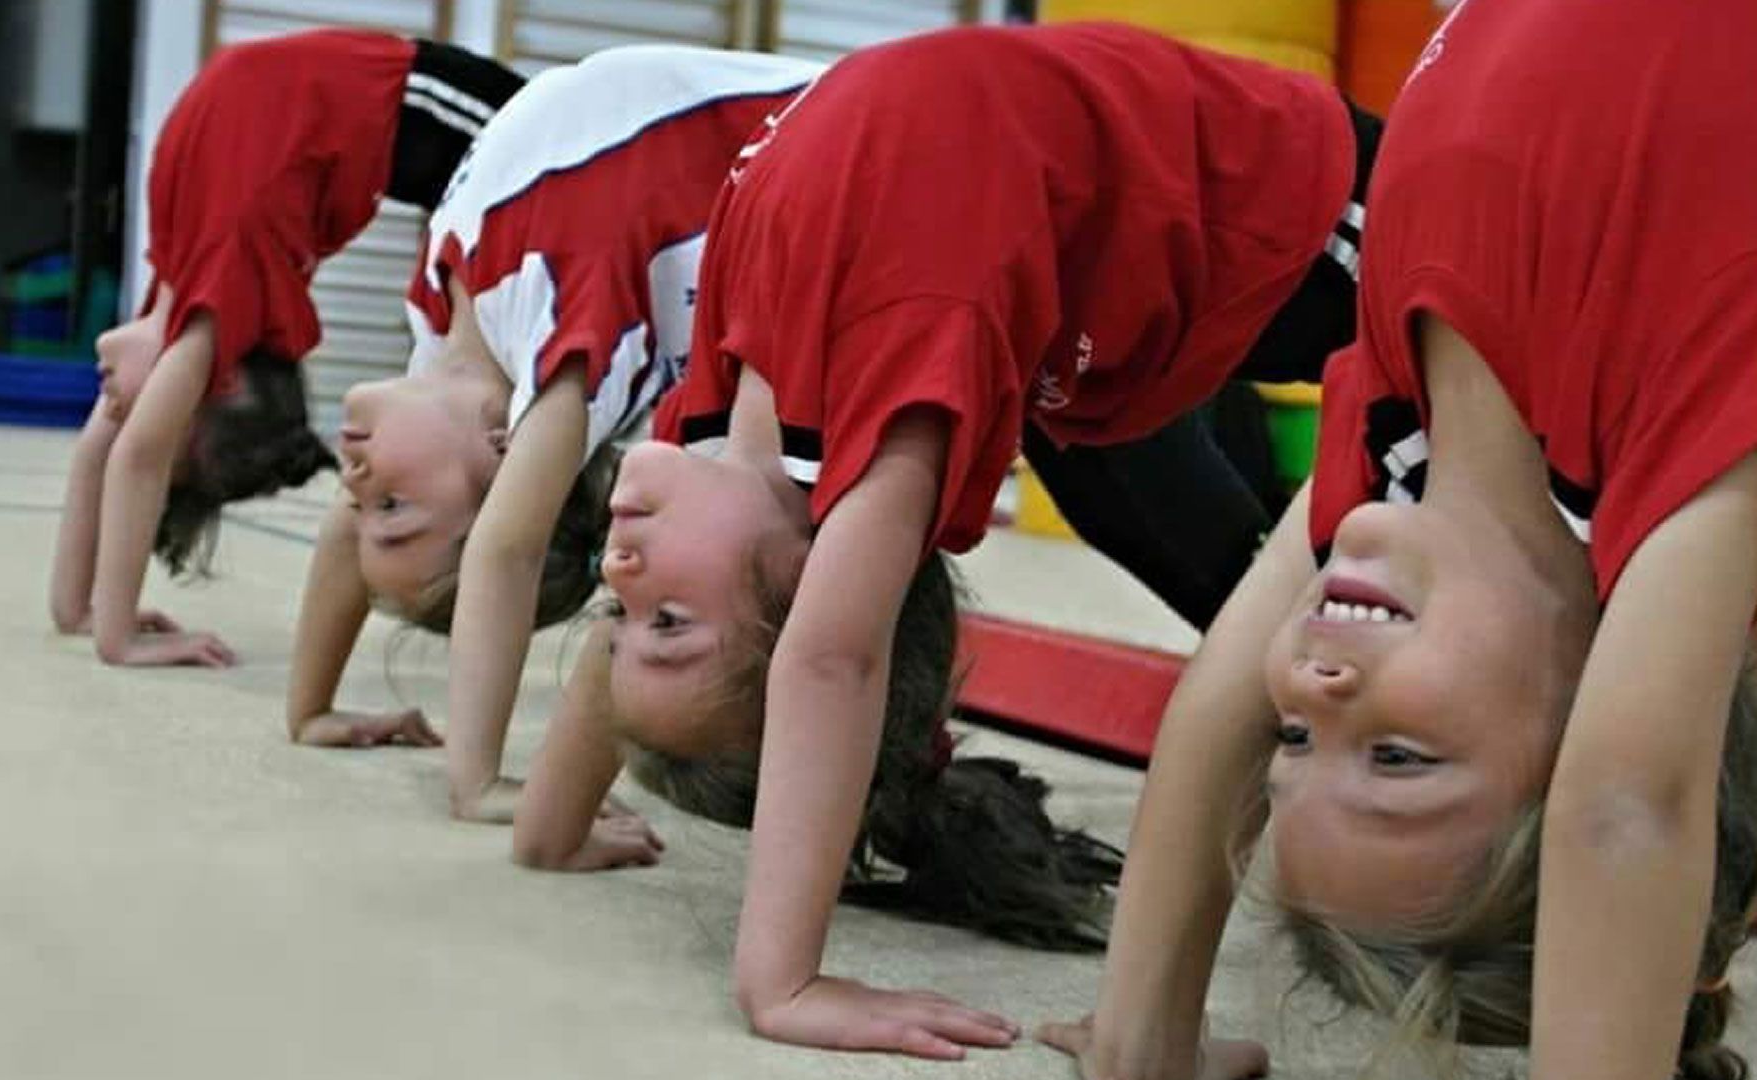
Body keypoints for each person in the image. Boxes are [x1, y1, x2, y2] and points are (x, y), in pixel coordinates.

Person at [511, 21, 1375, 1059]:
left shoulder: (716, 411)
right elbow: (835, 655)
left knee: (1197, 556)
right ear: (810, 572)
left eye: (618, 616)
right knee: (1320, 566)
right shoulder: (897, 371)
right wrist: (781, 982)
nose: (615, 569)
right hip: (1290, 221)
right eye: (669, 620)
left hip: (1206, 231)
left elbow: (763, 650)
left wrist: (548, 832)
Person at [1039, 2, 1757, 1078]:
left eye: (1292, 744)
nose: (1317, 687)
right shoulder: (1695, 435)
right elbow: (1630, 808)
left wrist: (1142, 1044)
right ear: (1610, 711)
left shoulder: (1401, 435)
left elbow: (1208, 717)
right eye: (1397, 756)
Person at [282, 45, 822, 837]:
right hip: (861, 138)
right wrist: (477, 781)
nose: (353, 480)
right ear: (504, 455)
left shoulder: (443, 323)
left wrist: (310, 708)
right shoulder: (568, 343)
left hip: (820, 114)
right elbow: (504, 550)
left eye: (361, 508)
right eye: (390, 505)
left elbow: (367, 529)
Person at [48, 29, 523, 667]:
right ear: (216, 385)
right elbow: (123, 453)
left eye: (140, 411)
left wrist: (101, 625)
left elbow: (123, 455)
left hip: (405, 102)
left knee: (582, 162)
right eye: (150, 412)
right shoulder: (210, 298)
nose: (114, 409)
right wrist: (95, 621)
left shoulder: (191, 280)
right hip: (405, 111)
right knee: (577, 168)